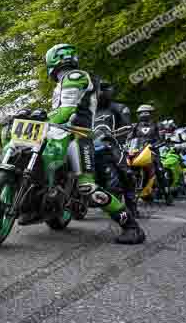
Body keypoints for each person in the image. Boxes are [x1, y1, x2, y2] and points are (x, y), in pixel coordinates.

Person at [45, 44, 146, 244]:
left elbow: (67, 110)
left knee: (87, 187)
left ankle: (132, 227)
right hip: (58, 135)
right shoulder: (60, 85)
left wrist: (43, 119)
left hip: (78, 136)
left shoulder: (75, 76)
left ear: (53, 61)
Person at [94, 80, 138, 214]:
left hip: (112, 145)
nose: (100, 92)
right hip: (90, 145)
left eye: (103, 88)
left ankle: (131, 208)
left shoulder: (118, 108)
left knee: (127, 174)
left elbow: (128, 126)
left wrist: (111, 134)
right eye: (98, 89)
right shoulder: (90, 112)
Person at [131, 104, 172, 204]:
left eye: (146, 112)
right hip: (138, 152)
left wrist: (156, 145)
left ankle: (167, 195)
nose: (143, 114)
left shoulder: (157, 125)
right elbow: (130, 138)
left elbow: (161, 138)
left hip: (153, 151)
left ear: (151, 114)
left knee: (160, 171)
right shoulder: (135, 126)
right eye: (141, 112)